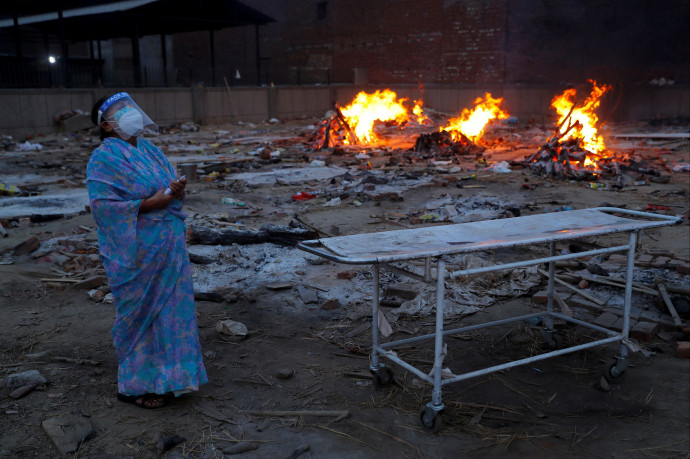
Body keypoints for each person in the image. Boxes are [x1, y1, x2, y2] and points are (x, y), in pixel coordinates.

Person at [87, 92, 207, 409]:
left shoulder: (150, 150)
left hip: (169, 248)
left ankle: (172, 380)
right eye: (120, 111)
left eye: (130, 107)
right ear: (107, 126)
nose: (130, 113)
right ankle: (135, 386)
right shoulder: (103, 159)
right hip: (137, 252)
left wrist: (176, 190)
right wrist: (154, 203)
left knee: (172, 315)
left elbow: (168, 187)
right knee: (143, 317)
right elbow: (103, 209)